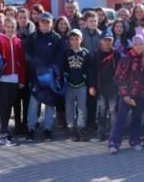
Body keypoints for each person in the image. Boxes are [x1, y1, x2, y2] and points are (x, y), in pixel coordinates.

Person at [25, 12, 63, 141]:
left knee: (50, 103)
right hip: (35, 76)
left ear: (52, 23)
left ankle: (48, 129)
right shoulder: (32, 38)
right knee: (34, 103)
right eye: (43, 22)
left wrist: (53, 69)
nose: (45, 24)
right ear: (39, 23)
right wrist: (37, 66)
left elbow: (60, 57)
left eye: (48, 22)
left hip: (50, 76)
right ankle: (30, 128)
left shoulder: (57, 38)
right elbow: (27, 55)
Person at [109, 35, 144, 154]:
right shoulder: (126, 57)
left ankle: (134, 141)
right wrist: (125, 95)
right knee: (121, 119)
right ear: (133, 45)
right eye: (136, 44)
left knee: (137, 119)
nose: (138, 46)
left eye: (141, 44)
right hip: (127, 94)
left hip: (140, 94)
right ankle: (114, 143)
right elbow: (119, 78)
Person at [0, 17, 26, 147]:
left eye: (12, 27)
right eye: (8, 27)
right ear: (4, 27)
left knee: (10, 104)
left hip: (14, 78)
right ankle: (3, 132)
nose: (10, 29)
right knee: (3, 105)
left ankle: (5, 130)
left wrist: (22, 79)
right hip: (3, 78)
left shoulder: (18, 41)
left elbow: (22, 61)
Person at [63, 29, 93, 142]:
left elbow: (89, 69)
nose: (74, 41)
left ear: (81, 39)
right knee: (69, 107)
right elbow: (64, 67)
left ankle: (81, 127)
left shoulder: (85, 53)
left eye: (77, 39)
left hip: (81, 85)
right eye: (72, 39)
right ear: (69, 40)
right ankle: (71, 127)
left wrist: (88, 82)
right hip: (69, 85)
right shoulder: (66, 52)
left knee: (82, 108)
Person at [91, 31, 121, 141]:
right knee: (102, 110)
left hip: (114, 87)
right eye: (105, 40)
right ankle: (101, 133)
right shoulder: (96, 55)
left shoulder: (117, 54)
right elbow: (92, 72)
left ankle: (113, 134)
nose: (107, 42)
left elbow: (121, 71)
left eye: (109, 40)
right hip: (101, 86)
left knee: (113, 111)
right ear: (101, 41)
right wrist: (92, 86)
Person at [14, 8, 35, 135]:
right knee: (16, 99)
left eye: (24, 17)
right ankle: (17, 124)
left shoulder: (33, 34)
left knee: (27, 99)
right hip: (15, 71)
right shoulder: (13, 31)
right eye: (20, 17)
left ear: (28, 18)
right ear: (17, 18)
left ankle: (25, 123)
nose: (22, 20)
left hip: (28, 70)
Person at [81, 10, 101, 130]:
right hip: (85, 68)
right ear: (86, 22)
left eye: (95, 21)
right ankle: (82, 122)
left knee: (94, 98)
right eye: (90, 21)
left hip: (98, 69)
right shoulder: (82, 34)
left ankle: (92, 121)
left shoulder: (101, 34)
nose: (93, 23)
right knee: (84, 97)